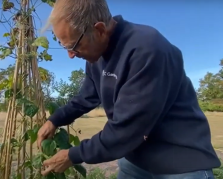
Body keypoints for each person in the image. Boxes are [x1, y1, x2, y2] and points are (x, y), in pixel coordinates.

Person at [36, 0, 222, 178]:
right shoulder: (96, 56)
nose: (70, 55)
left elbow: (127, 129)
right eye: (64, 46)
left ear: (100, 30)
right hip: (136, 161)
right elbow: (86, 98)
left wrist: (73, 155)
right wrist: (55, 120)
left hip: (181, 164)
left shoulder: (147, 48)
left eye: (74, 46)